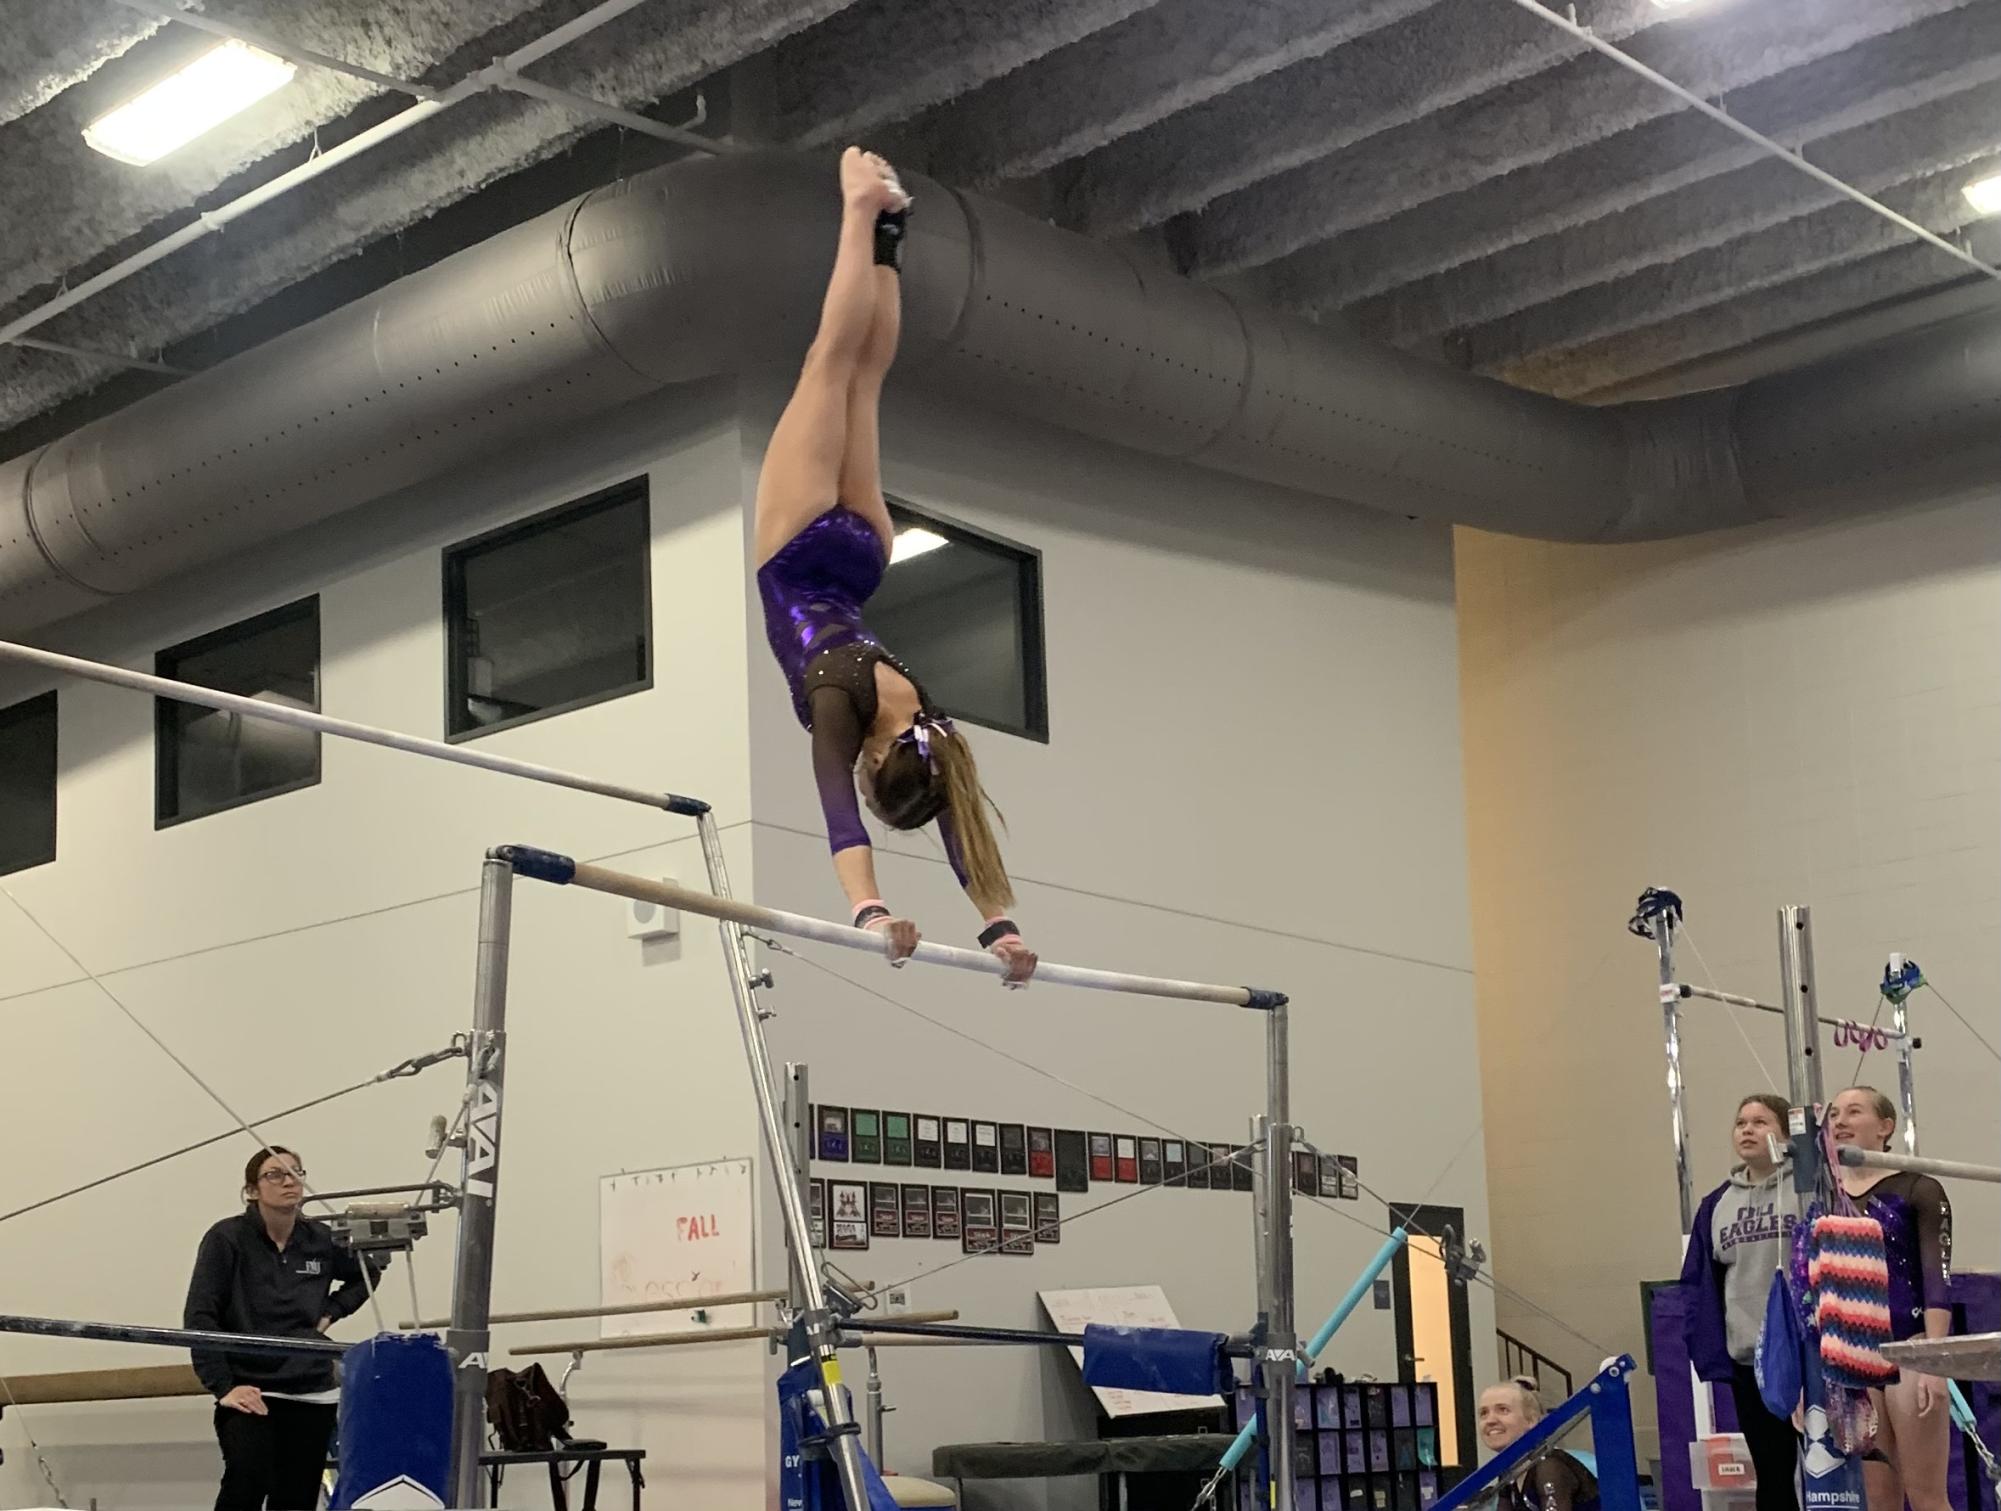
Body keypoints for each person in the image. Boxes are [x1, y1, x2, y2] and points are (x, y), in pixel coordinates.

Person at [754, 147, 1036, 986]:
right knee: (829, 367)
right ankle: (857, 210)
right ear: (875, 766)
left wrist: (1003, 930)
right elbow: (838, 816)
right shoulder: (837, 707)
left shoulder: (935, 725)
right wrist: (868, 910)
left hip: (864, 555)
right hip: (799, 552)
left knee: (866, 380)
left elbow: (964, 837)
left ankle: (890, 238)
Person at [184, 1146, 383, 1510]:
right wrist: (224, 1387)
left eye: (296, 1172)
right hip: (250, 1387)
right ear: (252, 1190)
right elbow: (200, 1317)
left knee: (296, 1495)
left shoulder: (320, 1238)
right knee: (248, 1475)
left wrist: (330, 1313)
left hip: (311, 1388)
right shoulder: (226, 1239)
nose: (289, 1180)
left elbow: (368, 1272)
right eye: (275, 1174)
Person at [1821, 1086, 1953, 1511]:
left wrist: (1935, 1363)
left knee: (1927, 1494)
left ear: (1885, 1127)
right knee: (1878, 1501)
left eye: (1854, 1112)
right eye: (1835, 1113)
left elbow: (1937, 1280)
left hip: (1911, 1348)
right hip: (1856, 1358)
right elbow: (1818, 1290)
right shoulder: (1824, 1197)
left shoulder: (1919, 1188)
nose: (1840, 1121)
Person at [1678, 1092, 1800, 1511]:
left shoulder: (1806, 1190)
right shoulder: (1716, 1205)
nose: (1748, 1129)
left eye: (1760, 1122)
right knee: (1773, 1475)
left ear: (1785, 1134)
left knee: (1829, 1471)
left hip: (1809, 1358)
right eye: (1741, 1122)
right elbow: (1700, 1284)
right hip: (1753, 1361)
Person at [1475, 1376, 1598, 1511]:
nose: (1490, 1420)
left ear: (1531, 1420)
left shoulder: (1549, 1467)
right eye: (1484, 1413)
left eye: (1503, 1410)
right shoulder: (1509, 1472)